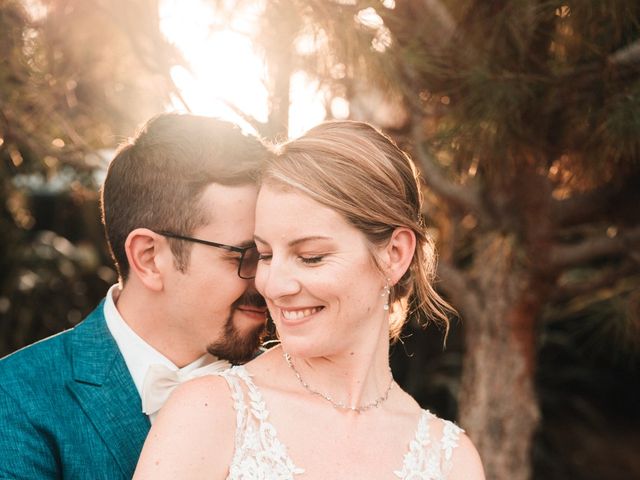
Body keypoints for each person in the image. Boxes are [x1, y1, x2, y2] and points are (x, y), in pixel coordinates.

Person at [134, 120, 485, 479]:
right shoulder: (209, 414)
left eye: (311, 256)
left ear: (394, 254)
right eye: (265, 255)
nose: (274, 285)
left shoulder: (451, 460)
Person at [0, 113, 269, 479]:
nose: (270, 281)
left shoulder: (298, 382)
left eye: (271, 256)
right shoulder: (17, 396)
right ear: (149, 258)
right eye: (245, 256)